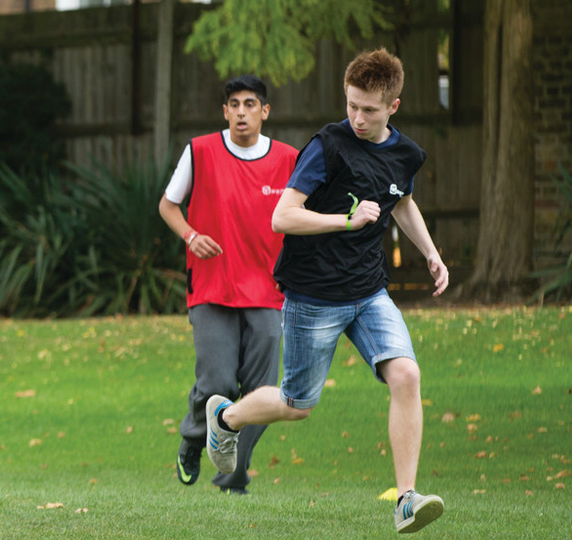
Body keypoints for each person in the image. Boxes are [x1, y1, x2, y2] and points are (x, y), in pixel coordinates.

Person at [204, 49, 448, 533]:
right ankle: (226, 418)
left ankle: (405, 500)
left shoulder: (406, 154)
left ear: (393, 108)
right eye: (352, 105)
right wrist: (346, 219)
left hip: (369, 291)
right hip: (314, 295)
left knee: (406, 376)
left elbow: (402, 201)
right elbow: (283, 217)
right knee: (298, 404)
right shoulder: (328, 146)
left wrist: (431, 252)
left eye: (370, 110)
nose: (357, 117)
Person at [159, 75, 298, 495]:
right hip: (212, 288)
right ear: (225, 111)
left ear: (265, 111)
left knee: (260, 394)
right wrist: (190, 236)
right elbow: (169, 205)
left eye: (250, 104)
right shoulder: (200, 151)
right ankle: (193, 439)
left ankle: (232, 475)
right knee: (217, 384)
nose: (241, 112)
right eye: (234, 104)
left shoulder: (289, 160)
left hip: (268, 292)